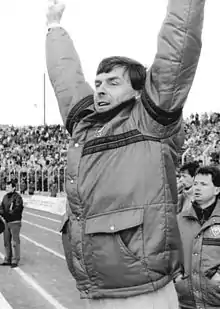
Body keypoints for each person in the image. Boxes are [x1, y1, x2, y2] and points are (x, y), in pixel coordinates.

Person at [46, 0, 206, 308]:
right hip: (96, 290)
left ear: (138, 90)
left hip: (144, 292)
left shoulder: (151, 119)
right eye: (98, 83)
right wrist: (54, 27)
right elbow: (65, 79)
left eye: (112, 82)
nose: (100, 88)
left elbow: (179, 47)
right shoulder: (85, 125)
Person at [176, 166, 220, 309]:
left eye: (204, 184)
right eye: (195, 184)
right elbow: (169, 252)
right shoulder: (180, 219)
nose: (197, 188)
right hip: (186, 301)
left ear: (217, 190)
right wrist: (176, 277)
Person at [0, 180, 24, 268]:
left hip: (15, 222)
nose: (7, 188)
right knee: (6, 241)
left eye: (9, 187)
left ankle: (15, 260)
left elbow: (18, 209)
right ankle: (7, 259)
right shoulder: (5, 197)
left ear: (14, 188)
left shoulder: (17, 197)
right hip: (6, 222)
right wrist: (3, 213)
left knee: (15, 242)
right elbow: (1, 207)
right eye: (6, 187)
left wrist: (8, 214)